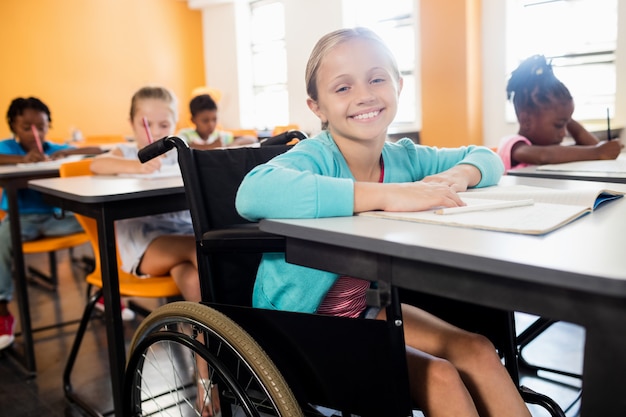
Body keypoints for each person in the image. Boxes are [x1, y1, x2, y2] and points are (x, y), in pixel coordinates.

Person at [236, 28, 531, 417]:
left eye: (377, 79)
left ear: (398, 86)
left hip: (363, 311)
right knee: (439, 376)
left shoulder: (404, 158)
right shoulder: (313, 156)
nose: (364, 94)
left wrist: (460, 175)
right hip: (296, 331)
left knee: (477, 349)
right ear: (317, 107)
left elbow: (488, 157)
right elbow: (253, 193)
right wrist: (387, 195)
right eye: (342, 88)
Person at [90, 86, 218, 416]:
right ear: (132, 123)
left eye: (164, 125)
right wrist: (136, 166)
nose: (156, 132)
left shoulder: (181, 154)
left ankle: (205, 380)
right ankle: (225, 359)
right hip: (145, 246)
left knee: (195, 282)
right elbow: (97, 165)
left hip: (182, 241)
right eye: (146, 123)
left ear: (175, 124)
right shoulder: (123, 152)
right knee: (200, 248)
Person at [0, 97, 103, 350]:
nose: (36, 132)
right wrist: (22, 161)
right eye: (26, 127)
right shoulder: (8, 149)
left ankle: (106, 294)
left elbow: (98, 152)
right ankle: (3, 311)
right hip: (21, 220)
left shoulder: (51, 147)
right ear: (14, 127)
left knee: (100, 224)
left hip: (58, 219)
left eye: (42, 126)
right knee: (0, 241)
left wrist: (66, 152)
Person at [498, 54, 622, 171]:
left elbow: (592, 145)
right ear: (526, 121)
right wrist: (597, 152)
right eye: (558, 125)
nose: (563, 133)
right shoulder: (514, 145)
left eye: (566, 125)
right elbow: (544, 156)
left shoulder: (555, 151)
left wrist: (567, 118)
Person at [177, 93, 257, 149]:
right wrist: (212, 146)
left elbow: (252, 139)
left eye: (214, 119)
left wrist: (228, 146)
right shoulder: (186, 135)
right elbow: (180, 148)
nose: (211, 124)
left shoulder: (220, 136)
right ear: (193, 120)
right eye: (205, 121)